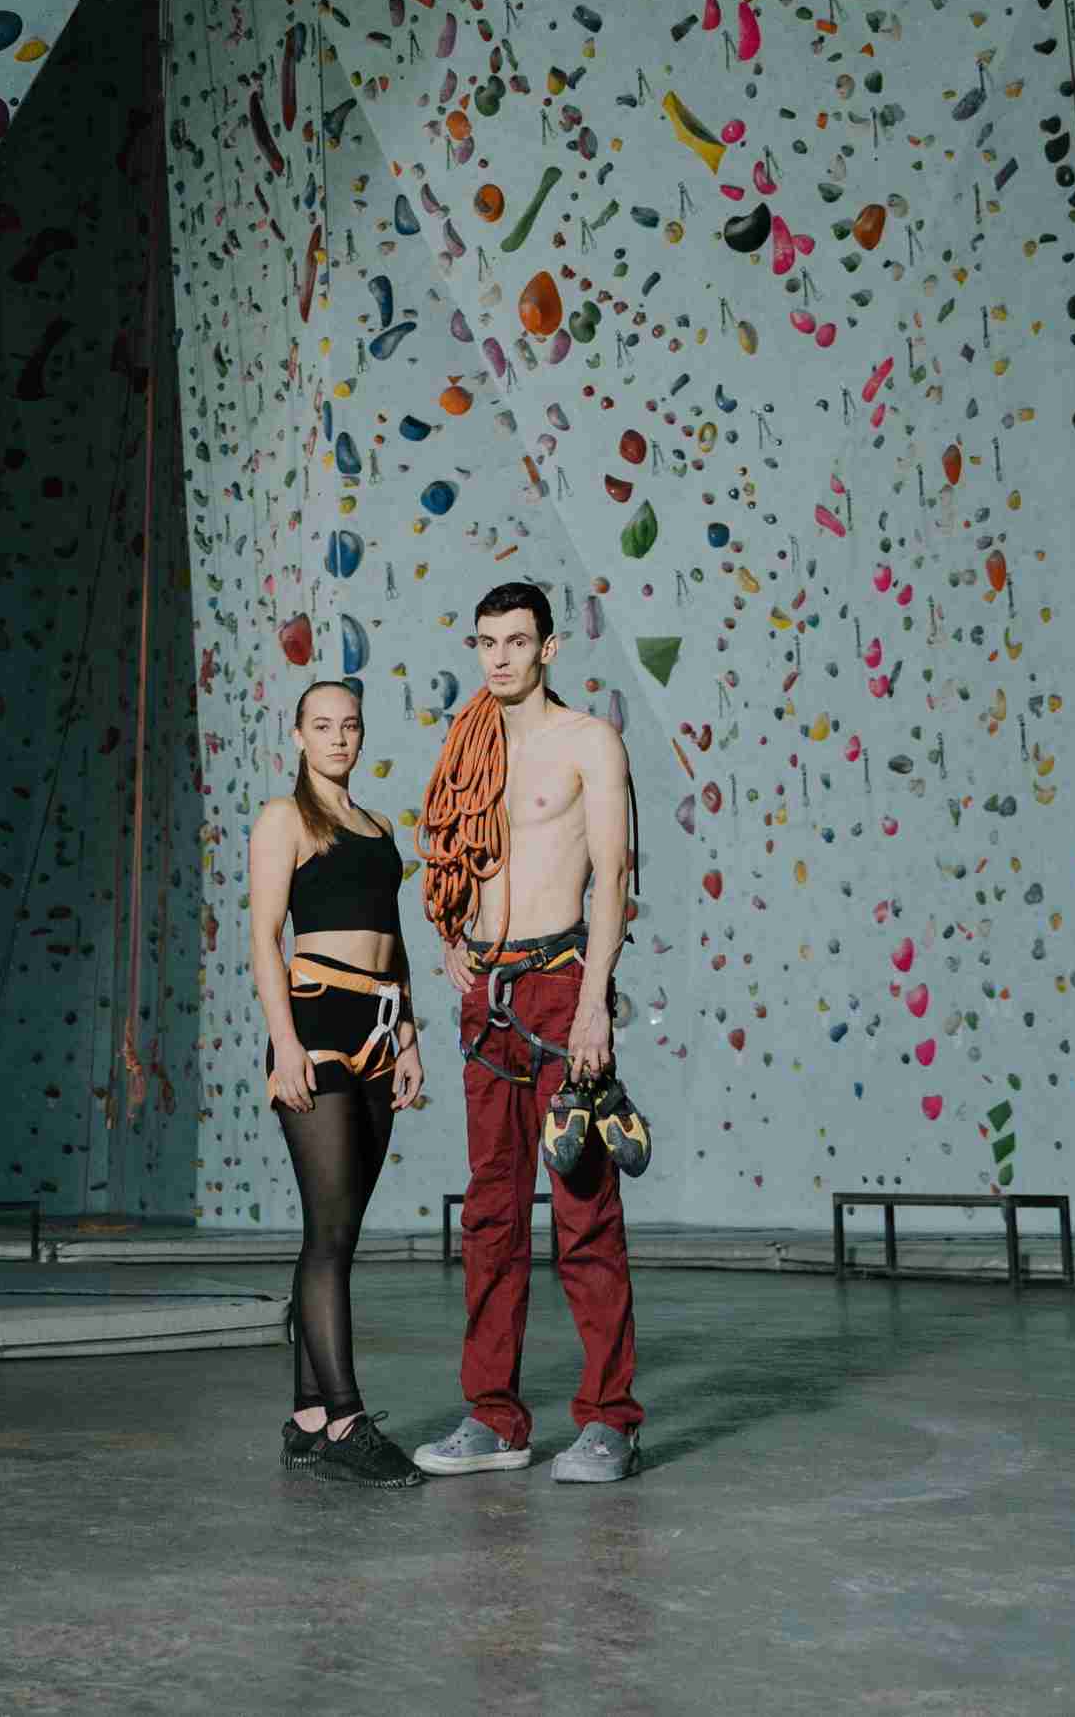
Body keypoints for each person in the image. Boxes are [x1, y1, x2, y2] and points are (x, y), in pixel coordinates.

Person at [412, 580, 646, 1484]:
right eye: (486, 642)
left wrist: (594, 999)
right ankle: (495, 1419)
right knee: (490, 1216)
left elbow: (612, 877)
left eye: (516, 641)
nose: (500, 657)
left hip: (559, 990)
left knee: (583, 1209)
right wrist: (449, 940)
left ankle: (609, 1420)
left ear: (549, 648)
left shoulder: (587, 741)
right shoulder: (466, 743)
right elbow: (452, 855)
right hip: (487, 996)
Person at [248, 676, 427, 1489]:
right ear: (297, 736)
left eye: (348, 726)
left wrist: (412, 1034)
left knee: (340, 1232)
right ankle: (348, 1420)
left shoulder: (379, 826)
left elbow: (393, 938)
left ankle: (308, 1418)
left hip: (381, 1033)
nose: (338, 738)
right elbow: (262, 937)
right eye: (321, 726)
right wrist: (283, 1043)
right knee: (328, 1233)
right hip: (315, 1028)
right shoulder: (283, 819)